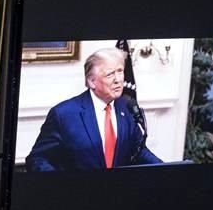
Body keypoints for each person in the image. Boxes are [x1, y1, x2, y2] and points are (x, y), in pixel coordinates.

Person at [26, 48, 165, 172]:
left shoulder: (127, 107)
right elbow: (37, 159)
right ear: (92, 81)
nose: (118, 80)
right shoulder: (64, 114)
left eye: (120, 71)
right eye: (110, 74)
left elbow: (139, 152)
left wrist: (167, 170)